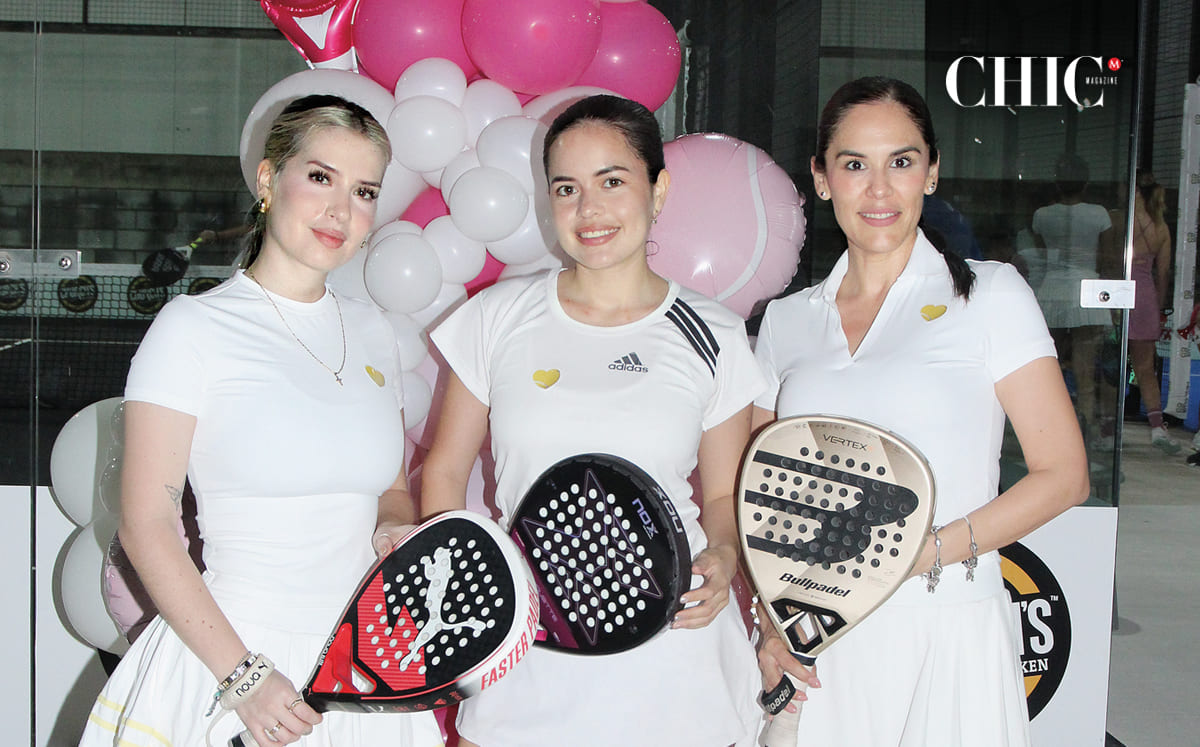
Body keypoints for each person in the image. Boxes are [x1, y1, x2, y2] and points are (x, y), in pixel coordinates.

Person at [81, 95, 443, 747]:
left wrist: (394, 521)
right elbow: (147, 523)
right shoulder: (193, 328)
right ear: (270, 179)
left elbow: (388, 488)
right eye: (320, 177)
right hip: (233, 661)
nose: (342, 210)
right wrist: (244, 677)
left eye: (364, 191)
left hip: (363, 667)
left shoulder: (372, 331)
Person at [752, 77, 1090, 746]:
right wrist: (771, 623)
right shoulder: (788, 321)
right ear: (822, 178)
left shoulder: (990, 295)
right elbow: (761, 496)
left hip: (946, 625)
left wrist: (914, 555)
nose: (879, 190)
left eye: (901, 162)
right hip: (819, 637)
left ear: (930, 172)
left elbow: (1064, 475)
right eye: (854, 165)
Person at [420, 94, 763, 747]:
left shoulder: (712, 331)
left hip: (674, 660)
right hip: (529, 656)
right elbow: (443, 471)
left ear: (657, 190)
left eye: (613, 181)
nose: (589, 209)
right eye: (567, 188)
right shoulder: (499, 315)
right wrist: (472, 585)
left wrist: (722, 554)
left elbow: (722, 495)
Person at [1031, 154, 1118, 448]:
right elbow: (1107, 260)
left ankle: (1044, 432)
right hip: (1088, 290)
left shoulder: (1042, 215)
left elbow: (1043, 257)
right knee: (1085, 370)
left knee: (1045, 367)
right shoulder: (1098, 214)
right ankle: (1087, 432)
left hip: (1052, 290)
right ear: (1087, 182)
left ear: (1057, 183)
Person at [1127, 170, 1180, 453]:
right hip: (1145, 295)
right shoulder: (1161, 228)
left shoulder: (1121, 220)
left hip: (1118, 292)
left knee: (1109, 363)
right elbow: (1163, 273)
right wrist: (1157, 308)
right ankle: (1157, 427)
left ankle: (1105, 429)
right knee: (1145, 368)